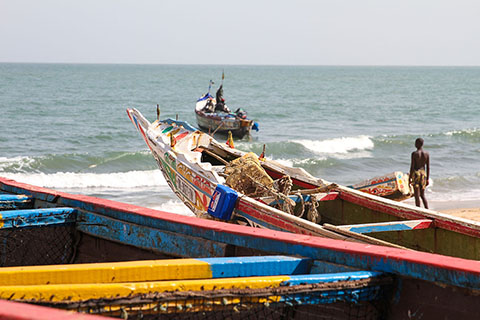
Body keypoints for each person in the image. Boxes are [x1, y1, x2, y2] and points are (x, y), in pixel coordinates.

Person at [409, 138, 430, 209]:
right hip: (423, 174)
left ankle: (418, 209)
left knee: (416, 195)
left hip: (416, 174)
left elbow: (412, 166)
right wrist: (427, 179)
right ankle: (427, 209)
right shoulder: (427, 154)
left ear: (417, 144)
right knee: (422, 195)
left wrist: (410, 177)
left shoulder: (414, 154)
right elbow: (428, 167)